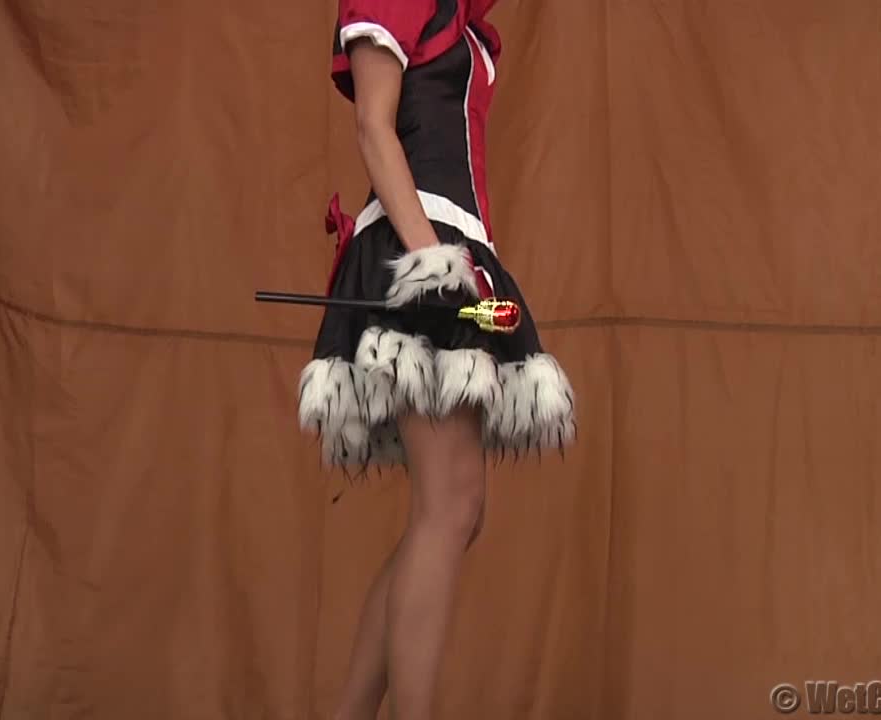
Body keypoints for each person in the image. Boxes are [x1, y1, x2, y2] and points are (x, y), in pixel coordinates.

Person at [297, 2, 576, 718]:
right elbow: (374, 126)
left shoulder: (465, 21)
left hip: (451, 246)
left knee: (457, 507)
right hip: (417, 246)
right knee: (450, 504)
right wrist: (435, 265)